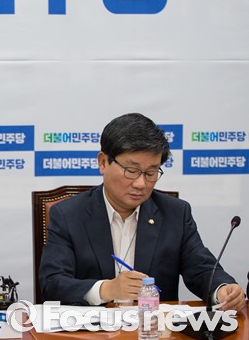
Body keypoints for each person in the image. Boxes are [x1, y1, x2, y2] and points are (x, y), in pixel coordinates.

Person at [39, 113, 246, 311]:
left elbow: (202, 269)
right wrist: (106, 289)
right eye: (131, 170)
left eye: (151, 173)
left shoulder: (175, 213)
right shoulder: (68, 215)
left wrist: (222, 290)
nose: (141, 183)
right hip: (93, 332)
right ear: (103, 162)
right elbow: (52, 284)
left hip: (153, 329)